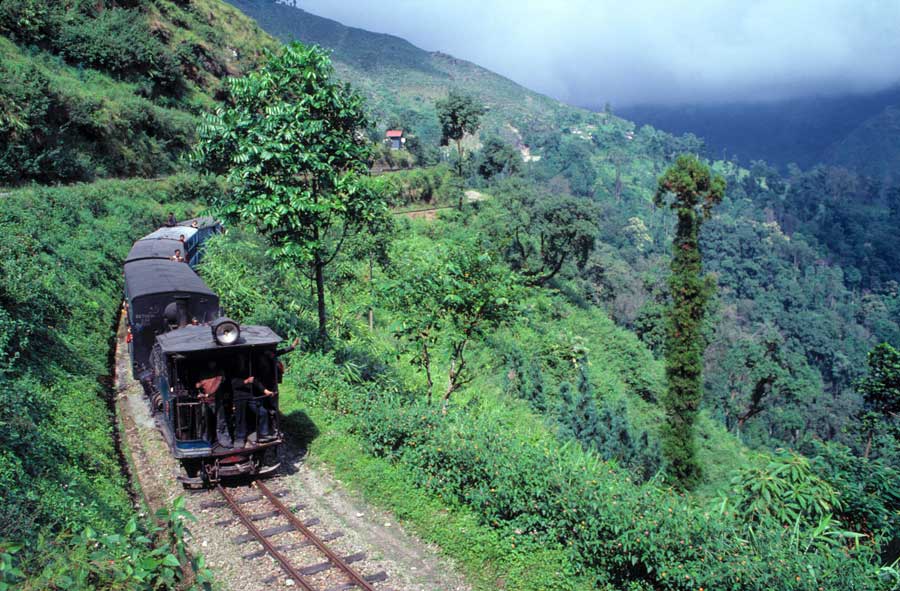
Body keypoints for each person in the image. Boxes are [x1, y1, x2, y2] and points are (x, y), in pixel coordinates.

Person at [230, 357, 275, 448]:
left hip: (250, 396)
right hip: (239, 398)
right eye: (240, 361)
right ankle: (240, 438)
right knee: (240, 419)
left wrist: (265, 391)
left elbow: (255, 381)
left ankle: (264, 433)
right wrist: (245, 381)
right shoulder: (233, 371)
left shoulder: (248, 369)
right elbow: (233, 383)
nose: (242, 362)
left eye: (243, 361)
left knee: (262, 412)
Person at [196, 360, 233, 449]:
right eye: (210, 362)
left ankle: (224, 441)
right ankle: (206, 442)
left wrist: (208, 393)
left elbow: (217, 384)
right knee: (206, 423)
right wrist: (199, 386)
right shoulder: (203, 373)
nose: (211, 363)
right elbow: (199, 384)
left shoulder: (219, 373)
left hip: (217, 400)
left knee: (221, 422)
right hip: (206, 401)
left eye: (213, 362)